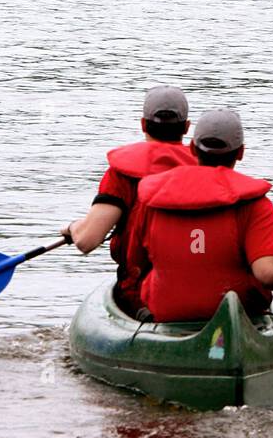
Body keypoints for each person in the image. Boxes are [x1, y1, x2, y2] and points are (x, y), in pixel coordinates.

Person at [128, 108, 273, 322]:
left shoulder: (152, 199)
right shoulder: (254, 205)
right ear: (241, 152)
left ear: (193, 148)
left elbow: (135, 262)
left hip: (166, 316)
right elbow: (270, 274)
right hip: (239, 321)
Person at [63, 86, 192, 314]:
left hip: (140, 298)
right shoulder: (206, 170)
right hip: (202, 291)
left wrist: (74, 228)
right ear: (186, 127)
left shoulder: (122, 174)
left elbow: (87, 241)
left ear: (143, 124)